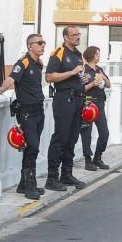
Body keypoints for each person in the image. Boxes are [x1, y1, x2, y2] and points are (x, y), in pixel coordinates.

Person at [0, 34, 47, 199]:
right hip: (26, 112)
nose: (43, 45)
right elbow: (11, 79)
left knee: (31, 148)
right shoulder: (23, 62)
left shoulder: (38, 64)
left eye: (43, 42)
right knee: (33, 146)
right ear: (31, 46)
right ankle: (29, 185)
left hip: (38, 110)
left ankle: (24, 185)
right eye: (39, 43)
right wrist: (1, 90)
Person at [44, 26, 89, 191]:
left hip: (78, 98)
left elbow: (77, 75)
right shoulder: (58, 52)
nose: (78, 37)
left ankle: (67, 174)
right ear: (65, 37)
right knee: (61, 138)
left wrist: (83, 78)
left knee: (72, 138)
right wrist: (71, 72)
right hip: (64, 98)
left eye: (78, 34)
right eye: (74, 35)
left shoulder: (78, 54)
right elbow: (49, 76)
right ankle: (52, 177)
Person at [79, 46, 111, 172]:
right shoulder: (84, 70)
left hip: (100, 104)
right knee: (86, 132)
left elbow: (109, 85)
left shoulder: (99, 70)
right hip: (88, 103)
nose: (99, 56)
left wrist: (103, 77)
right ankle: (88, 160)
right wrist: (93, 84)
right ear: (91, 55)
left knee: (104, 133)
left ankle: (98, 157)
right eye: (97, 54)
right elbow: (81, 88)